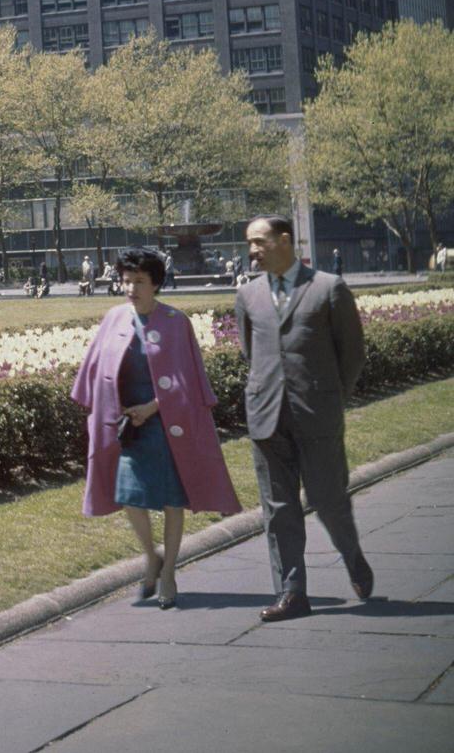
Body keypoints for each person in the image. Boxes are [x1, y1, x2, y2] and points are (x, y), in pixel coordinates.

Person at [71, 246, 240, 609]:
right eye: (126, 281)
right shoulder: (114, 317)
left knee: (170, 500)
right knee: (129, 496)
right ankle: (151, 556)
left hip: (165, 425)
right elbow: (96, 371)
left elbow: (188, 382)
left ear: (156, 284)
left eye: (139, 282)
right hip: (126, 426)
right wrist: (114, 409)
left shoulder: (176, 322)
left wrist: (151, 408)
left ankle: (168, 573)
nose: (130, 289)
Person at [235, 216, 371, 622]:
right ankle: (292, 593)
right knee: (278, 509)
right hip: (266, 417)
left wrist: (329, 397)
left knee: (328, 500)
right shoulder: (247, 295)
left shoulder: (329, 288)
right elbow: (251, 352)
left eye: (259, 242)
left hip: (317, 415)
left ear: (284, 240)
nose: (252, 251)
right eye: (249, 243)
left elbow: (353, 354)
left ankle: (352, 556)